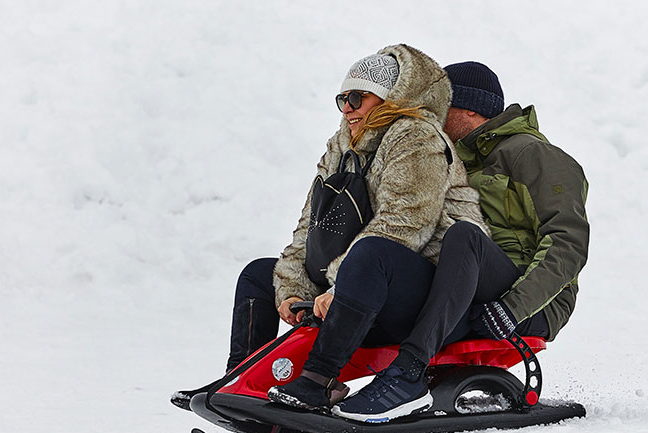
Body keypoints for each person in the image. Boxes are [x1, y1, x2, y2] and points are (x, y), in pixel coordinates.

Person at [172, 44, 487, 411]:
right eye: (342, 99)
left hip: (425, 293)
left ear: (390, 99)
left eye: (357, 97)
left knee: (372, 253)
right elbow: (311, 226)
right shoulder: (342, 147)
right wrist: (291, 289)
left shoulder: (418, 138)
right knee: (260, 274)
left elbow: (405, 225)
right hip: (364, 284)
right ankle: (241, 379)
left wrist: (339, 286)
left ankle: (317, 381)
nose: (348, 108)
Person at [330, 61, 590, 422]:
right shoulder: (447, 159)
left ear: (470, 107)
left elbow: (569, 243)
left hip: (529, 300)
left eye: (441, 106)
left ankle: (408, 375)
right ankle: (320, 376)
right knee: (382, 257)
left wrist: (514, 308)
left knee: (465, 234)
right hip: (463, 286)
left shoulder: (532, 155)